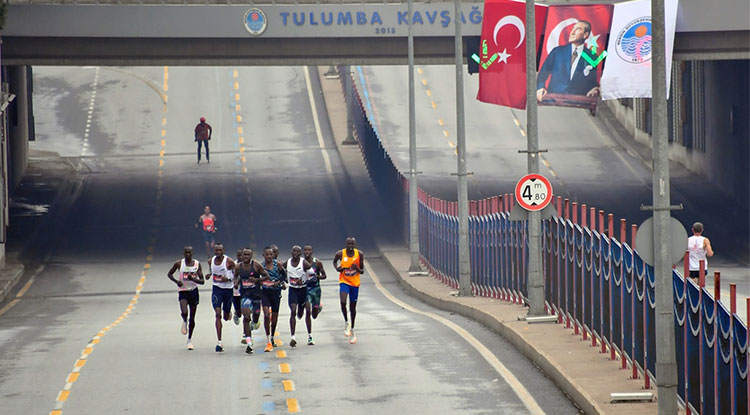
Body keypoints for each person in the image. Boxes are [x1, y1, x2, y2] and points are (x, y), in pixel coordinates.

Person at [536, 20, 600, 102]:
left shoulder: (591, 56)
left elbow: (592, 81)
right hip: (553, 100)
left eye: (577, 29)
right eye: (573, 28)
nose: (572, 32)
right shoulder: (557, 52)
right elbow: (543, 73)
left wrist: (595, 89)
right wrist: (540, 87)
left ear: (585, 35)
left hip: (577, 103)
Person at [167, 246, 205, 350]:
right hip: (183, 291)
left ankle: (189, 340)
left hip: (193, 291)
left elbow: (202, 281)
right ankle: (184, 320)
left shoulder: (197, 264)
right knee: (184, 312)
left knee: (192, 317)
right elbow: (169, 274)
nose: (187, 254)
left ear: (192, 253)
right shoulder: (179, 263)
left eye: (189, 252)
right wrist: (176, 282)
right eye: (186, 252)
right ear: (184, 253)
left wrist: (193, 279)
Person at [235, 248, 269, 354]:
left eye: (248, 255)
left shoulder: (256, 265)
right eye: (244, 254)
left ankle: (255, 322)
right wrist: (236, 282)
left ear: (251, 256)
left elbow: (266, 276)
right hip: (245, 295)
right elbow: (236, 277)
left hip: (256, 295)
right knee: (246, 317)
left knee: (254, 318)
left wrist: (257, 280)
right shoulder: (238, 267)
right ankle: (249, 343)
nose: (246, 256)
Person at [333, 237, 364, 344]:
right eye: (348, 244)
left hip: (355, 283)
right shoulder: (340, 253)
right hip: (344, 281)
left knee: (352, 307)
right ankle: (346, 322)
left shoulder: (359, 254)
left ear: (355, 245)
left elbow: (362, 271)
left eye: (352, 244)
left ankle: (353, 329)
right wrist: (338, 268)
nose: (350, 246)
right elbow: (334, 262)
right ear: (346, 244)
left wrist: (357, 268)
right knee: (342, 301)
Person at [208, 243, 236, 353]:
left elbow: (236, 274)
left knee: (225, 316)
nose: (218, 252)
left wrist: (228, 279)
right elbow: (211, 271)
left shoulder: (229, 262)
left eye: (220, 250)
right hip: (217, 289)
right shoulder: (210, 261)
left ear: (223, 250)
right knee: (217, 314)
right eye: (216, 250)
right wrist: (209, 275)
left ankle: (228, 312)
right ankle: (219, 342)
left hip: (228, 290)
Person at [285, 246, 315, 348]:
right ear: (291, 252)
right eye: (294, 251)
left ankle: (310, 336)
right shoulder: (287, 263)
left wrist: (304, 281)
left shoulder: (304, 263)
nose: (296, 253)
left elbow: (313, 276)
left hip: (304, 290)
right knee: (293, 311)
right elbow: (281, 272)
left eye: (298, 251)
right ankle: (293, 337)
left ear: (300, 253)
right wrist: (282, 280)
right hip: (293, 290)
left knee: (308, 310)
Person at [261, 246, 287, 352]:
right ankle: (267, 339)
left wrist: (279, 282)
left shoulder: (278, 265)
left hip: (276, 292)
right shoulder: (261, 266)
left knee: (275, 317)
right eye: (266, 254)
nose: (269, 256)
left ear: (273, 255)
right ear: (264, 255)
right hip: (265, 293)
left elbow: (284, 276)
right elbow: (256, 276)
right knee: (267, 315)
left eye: (270, 254)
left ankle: (272, 336)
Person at [301, 245, 327, 345]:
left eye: (309, 250)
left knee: (314, 314)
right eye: (305, 250)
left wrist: (317, 277)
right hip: (305, 289)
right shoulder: (301, 263)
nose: (307, 252)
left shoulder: (317, 262)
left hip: (316, 289)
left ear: (312, 252)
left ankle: (318, 307)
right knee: (307, 310)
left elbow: (324, 275)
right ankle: (310, 336)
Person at [233, 248, 243, 328]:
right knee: (239, 312)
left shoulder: (248, 265)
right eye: (238, 255)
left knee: (246, 309)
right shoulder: (233, 265)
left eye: (241, 255)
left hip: (245, 290)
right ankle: (236, 313)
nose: (240, 257)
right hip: (235, 291)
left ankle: (245, 334)